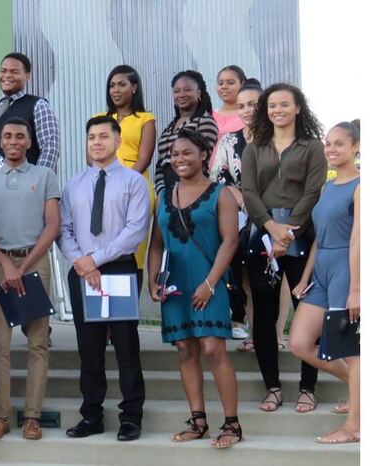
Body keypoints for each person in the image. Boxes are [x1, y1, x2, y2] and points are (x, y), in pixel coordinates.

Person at [147, 129, 243, 448]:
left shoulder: (221, 193)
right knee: (185, 350)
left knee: (213, 350)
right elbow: (156, 244)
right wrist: (153, 280)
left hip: (208, 280)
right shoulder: (164, 196)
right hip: (175, 283)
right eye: (174, 155)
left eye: (187, 152)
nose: (179, 159)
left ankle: (232, 425)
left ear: (203, 155)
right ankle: (198, 421)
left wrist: (210, 283)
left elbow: (230, 241)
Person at [58, 116, 148, 441]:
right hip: (81, 271)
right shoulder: (74, 184)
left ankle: (131, 416)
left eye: (103, 136)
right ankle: (92, 414)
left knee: (126, 346)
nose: (96, 142)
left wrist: (94, 260)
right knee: (89, 348)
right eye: (91, 137)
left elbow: (134, 231)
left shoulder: (133, 182)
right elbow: (64, 230)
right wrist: (81, 263)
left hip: (119, 269)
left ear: (117, 141)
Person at [240, 83, 325, 414]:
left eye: (284, 105)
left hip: (300, 237)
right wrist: (271, 228)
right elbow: (248, 192)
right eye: (272, 105)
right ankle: (272, 387)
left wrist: (288, 232)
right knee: (263, 314)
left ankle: (308, 387)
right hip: (262, 235)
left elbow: (313, 191)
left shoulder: (312, 147)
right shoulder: (254, 148)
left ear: (298, 108)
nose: (277, 110)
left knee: (307, 311)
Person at [0, 117, 60, 442]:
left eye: (19, 136)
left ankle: (33, 417)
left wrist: (23, 265)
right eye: (7, 135)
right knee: (0, 344)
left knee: (38, 341)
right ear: (1, 140)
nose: (12, 141)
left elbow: (52, 224)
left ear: (28, 141)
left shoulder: (45, 175)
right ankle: (1, 416)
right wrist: (7, 265)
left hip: (35, 262)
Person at [288, 120, 360, 443]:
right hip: (321, 271)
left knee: (353, 352)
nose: (331, 149)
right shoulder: (328, 186)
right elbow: (319, 238)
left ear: (356, 147)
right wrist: (305, 277)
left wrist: (357, 289)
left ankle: (355, 427)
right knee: (299, 343)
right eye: (328, 143)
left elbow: (359, 241)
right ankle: (361, 393)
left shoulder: (361, 187)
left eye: (339, 144)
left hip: (347, 269)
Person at [211, 79, 263, 344]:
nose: (247, 110)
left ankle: (274, 334)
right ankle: (254, 333)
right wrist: (243, 199)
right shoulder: (229, 140)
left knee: (275, 277)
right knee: (245, 274)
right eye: (241, 105)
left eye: (253, 104)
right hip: (240, 213)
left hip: (273, 215)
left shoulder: (276, 139)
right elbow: (218, 176)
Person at [94, 65, 156, 273]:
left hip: (135, 186)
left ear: (135, 87)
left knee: (132, 254)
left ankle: (131, 302)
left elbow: (145, 158)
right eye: (112, 85)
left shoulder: (145, 119)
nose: (116, 90)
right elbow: (91, 156)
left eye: (122, 84)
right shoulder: (100, 118)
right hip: (104, 186)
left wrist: (122, 183)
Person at [0, 53, 60, 172]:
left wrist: (37, 180)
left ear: (27, 76)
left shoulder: (39, 106)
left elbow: (50, 148)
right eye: (3, 71)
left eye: (14, 72)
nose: (7, 75)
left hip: (26, 186)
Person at [154, 70, 219, 196]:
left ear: (198, 93)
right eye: (177, 91)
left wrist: (183, 191)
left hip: (193, 191)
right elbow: (160, 164)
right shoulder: (169, 127)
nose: (182, 94)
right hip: (166, 192)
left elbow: (202, 162)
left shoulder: (205, 122)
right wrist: (162, 192)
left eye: (187, 90)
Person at [212, 66, 247, 167]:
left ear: (242, 83)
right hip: (211, 176)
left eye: (230, 83)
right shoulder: (210, 116)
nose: (224, 87)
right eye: (220, 83)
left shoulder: (248, 116)